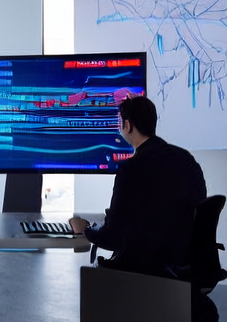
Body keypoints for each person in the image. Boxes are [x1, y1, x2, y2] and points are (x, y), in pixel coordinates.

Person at [69, 95, 206, 275]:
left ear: (127, 125)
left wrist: (85, 229)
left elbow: (111, 239)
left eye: (120, 123)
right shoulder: (185, 159)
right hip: (187, 263)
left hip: (146, 269)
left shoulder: (131, 168)